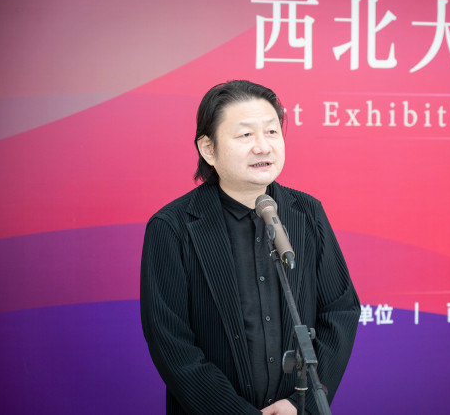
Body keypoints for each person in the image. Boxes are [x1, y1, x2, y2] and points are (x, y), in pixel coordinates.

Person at [140, 80, 360, 415]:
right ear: (208, 148)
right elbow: (169, 340)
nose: (263, 146)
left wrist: (300, 405)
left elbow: (340, 310)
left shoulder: (307, 213)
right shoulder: (173, 226)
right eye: (245, 135)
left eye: (272, 132)